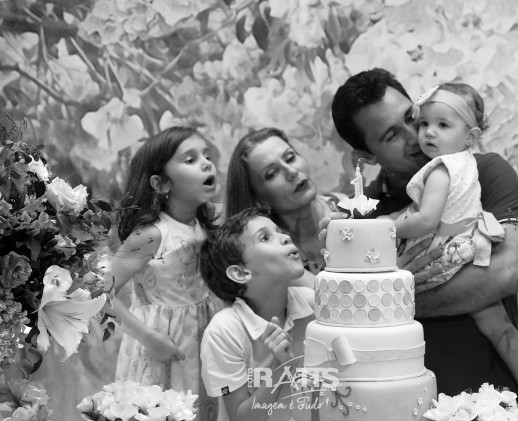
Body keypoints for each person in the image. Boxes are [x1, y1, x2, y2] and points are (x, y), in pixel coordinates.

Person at [328, 68, 518, 401]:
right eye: (392, 135)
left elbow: (508, 272)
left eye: (411, 117)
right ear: (366, 157)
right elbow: (348, 320)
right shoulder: (364, 218)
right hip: (402, 405)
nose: (416, 135)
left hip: (495, 398)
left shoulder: (483, 172)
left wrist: (393, 296)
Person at [389, 82, 518, 405]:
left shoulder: (439, 170)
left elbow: (427, 220)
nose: (428, 132)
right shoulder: (468, 163)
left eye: (442, 125)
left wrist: (392, 228)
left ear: (471, 136)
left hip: (443, 253)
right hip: (472, 247)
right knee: (499, 325)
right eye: (424, 124)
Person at [107, 127, 219, 419]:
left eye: (207, 156)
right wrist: (149, 338)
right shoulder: (152, 235)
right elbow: (99, 292)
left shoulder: (202, 225)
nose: (207, 164)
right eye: (190, 159)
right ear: (161, 183)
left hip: (200, 338)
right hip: (161, 346)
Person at [200, 207, 315, 421]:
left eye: (279, 231)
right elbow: (241, 417)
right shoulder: (224, 331)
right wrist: (282, 367)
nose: (286, 238)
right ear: (240, 272)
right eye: (265, 237)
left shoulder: (309, 302)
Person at [225, 127, 347, 277]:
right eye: (272, 173)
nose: (292, 171)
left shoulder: (344, 206)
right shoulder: (271, 249)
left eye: (290, 158)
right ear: (260, 200)